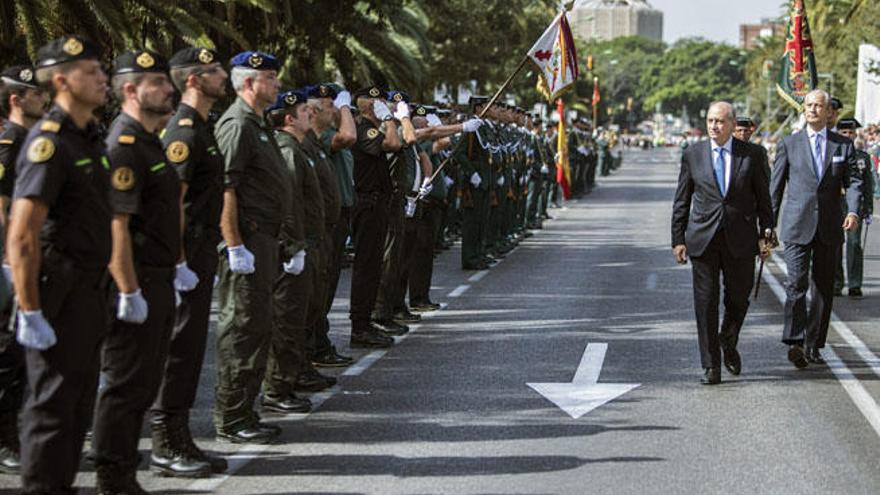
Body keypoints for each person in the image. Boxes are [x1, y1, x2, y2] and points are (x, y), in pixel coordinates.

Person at [91, 49, 204, 489]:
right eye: (156, 83)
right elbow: (116, 224)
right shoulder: (123, 144)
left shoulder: (147, 140)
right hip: (134, 278)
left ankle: (123, 472)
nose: (168, 89)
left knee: (142, 382)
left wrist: (174, 266)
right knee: (124, 384)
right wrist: (126, 288)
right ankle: (111, 476)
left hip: (156, 275)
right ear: (129, 90)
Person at [8, 35, 112, 494]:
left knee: (76, 404)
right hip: (59, 286)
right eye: (91, 72)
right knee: (51, 406)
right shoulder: (47, 142)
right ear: (62, 80)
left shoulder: (88, 136)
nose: (102, 78)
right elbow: (24, 231)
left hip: (90, 287)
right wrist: (29, 309)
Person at [150, 46, 229, 476]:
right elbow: (172, 204)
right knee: (178, 350)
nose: (223, 76)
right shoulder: (183, 131)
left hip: (199, 252)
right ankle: (166, 442)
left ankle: (181, 436)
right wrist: (179, 262)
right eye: (214, 71)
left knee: (191, 348)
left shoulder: (202, 127)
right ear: (194, 80)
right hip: (184, 255)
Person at [213, 51, 290, 443]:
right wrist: (234, 245)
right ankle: (231, 416)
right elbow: (226, 186)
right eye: (271, 78)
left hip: (264, 239)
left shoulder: (257, 123)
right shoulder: (238, 125)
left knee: (258, 325)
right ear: (248, 83)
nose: (277, 85)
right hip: (247, 238)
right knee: (241, 326)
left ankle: (246, 410)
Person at [671, 101, 773, 385]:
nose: (714, 126)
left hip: (741, 239)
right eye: (711, 121)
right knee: (705, 303)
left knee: (739, 298)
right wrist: (677, 238)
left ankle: (728, 338)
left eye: (720, 121)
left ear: (731, 124)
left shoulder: (752, 155)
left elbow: (765, 199)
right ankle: (710, 365)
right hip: (703, 239)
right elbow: (682, 199)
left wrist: (767, 233)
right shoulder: (693, 154)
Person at [770, 89, 864, 368]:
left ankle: (814, 343)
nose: (812, 109)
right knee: (796, 283)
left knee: (823, 288)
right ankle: (795, 341)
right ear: (804, 110)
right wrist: (767, 226)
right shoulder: (789, 143)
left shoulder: (842, 146)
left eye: (818, 106)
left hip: (829, 227)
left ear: (828, 113)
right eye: (808, 105)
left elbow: (855, 182)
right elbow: (775, 188)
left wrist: (853, 210)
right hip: (797, 226)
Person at [262, 88, 323, 413]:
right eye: (304, 111)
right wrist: (292, 247)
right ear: (289, 119)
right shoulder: (287, 149)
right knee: (286, 319)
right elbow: (287, 204)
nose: (310, 114)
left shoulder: (297, 147)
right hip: (293, 247)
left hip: (307, 243)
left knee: (297, 316)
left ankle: (289, 379)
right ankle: (277, 388)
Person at [0, 63, 46, 474]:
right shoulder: (9, 140)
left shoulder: (33, 138)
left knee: (27, 355)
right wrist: (8, 262)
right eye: (35, 94)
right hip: (10, 262)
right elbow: (2, 207)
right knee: (9, 355)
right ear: (16, 99)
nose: (43, 98)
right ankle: (5, 440)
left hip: (31, 257)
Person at [308, 83, 357, 368]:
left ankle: (319, 342)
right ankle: (315, 345)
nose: (333, 110)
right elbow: (349, 135)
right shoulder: (324, 136)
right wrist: (345, 107)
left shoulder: (330, 133)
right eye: (329, 104)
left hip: (340, 215)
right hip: (327, 219)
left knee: (327, 284)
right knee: (321, 286)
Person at [349, 84, 401, 348]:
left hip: (377, 203)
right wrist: (389, 120)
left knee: (372, 266)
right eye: (381, 101)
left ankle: (365, 323)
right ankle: (359, 326)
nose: (387, 105)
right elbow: (393, 144)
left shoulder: (371, 128)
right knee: (366, 266)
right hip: (367, 204)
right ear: (370, 105)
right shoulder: (363, 128)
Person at [834, 118, 874, 298]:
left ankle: (855, 283)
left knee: (854, 244)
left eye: (850, 132)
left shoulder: (862, 157)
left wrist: (868, 208)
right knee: (834, 245)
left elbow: (867, 184)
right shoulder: (833, 152)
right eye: (844, 133)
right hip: (835, 204)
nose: (848, 136)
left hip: (854, 205)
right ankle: (836, 282)